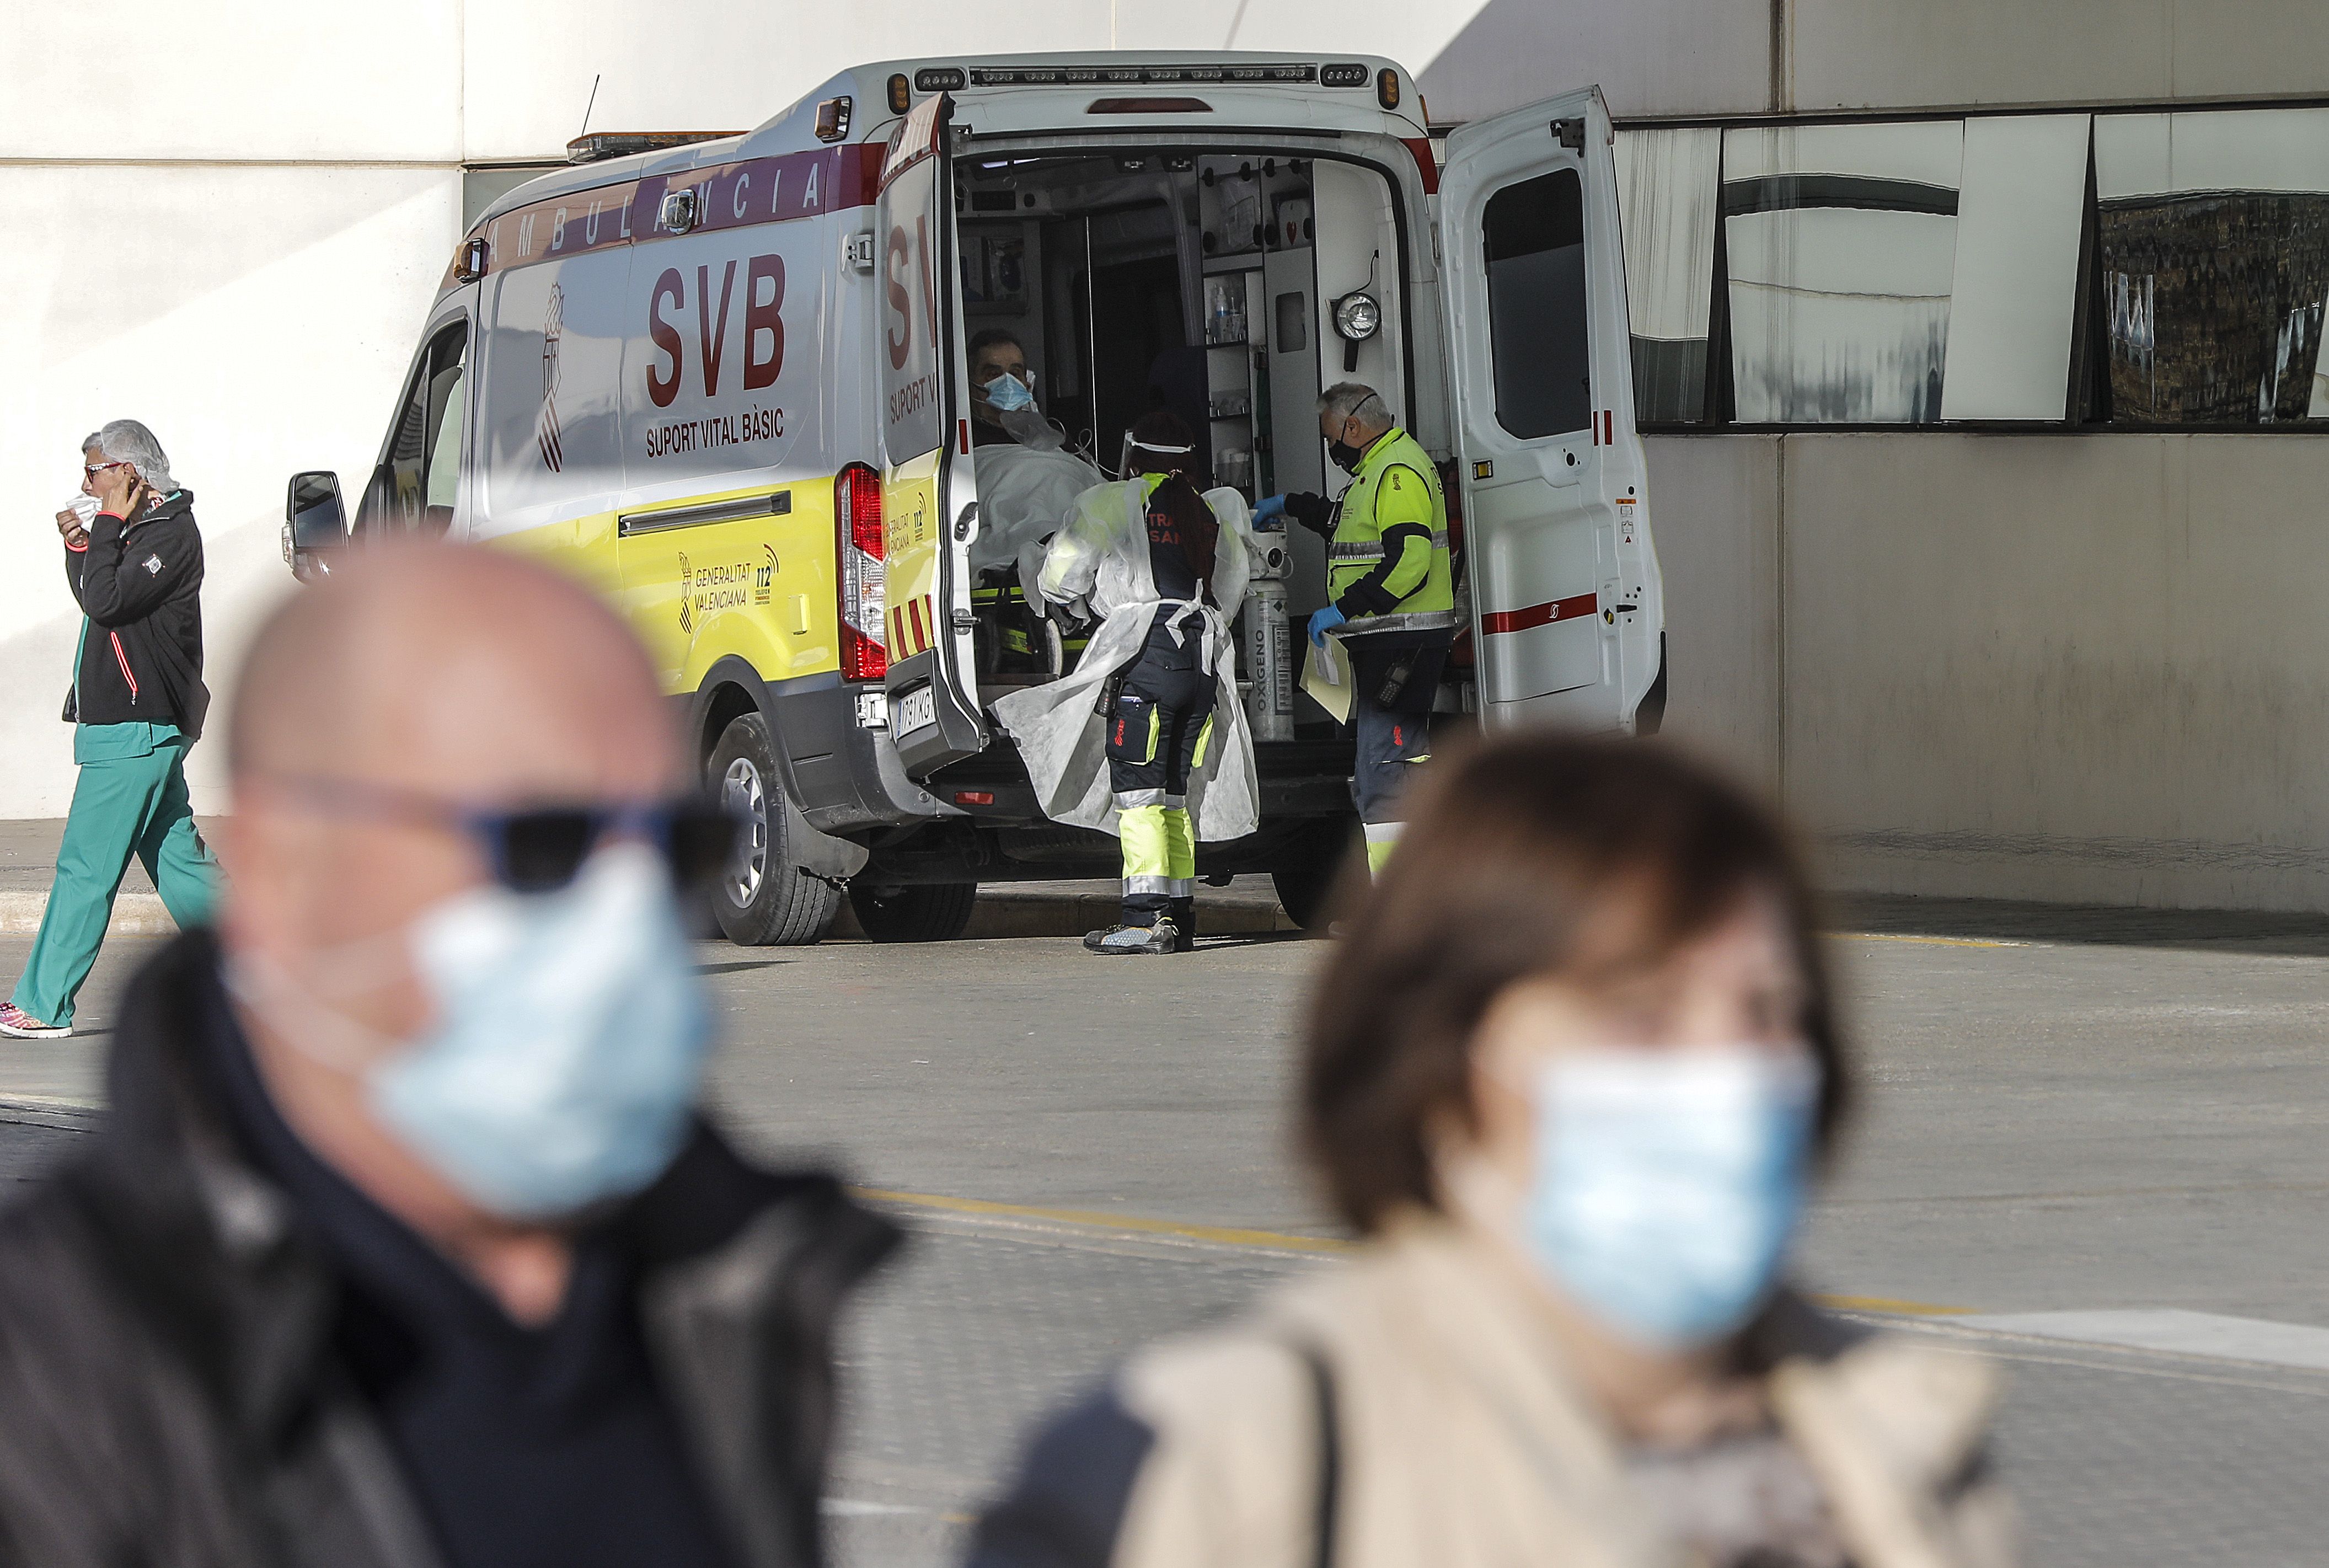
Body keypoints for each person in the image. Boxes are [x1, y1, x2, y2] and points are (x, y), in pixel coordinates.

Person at [0, 543, 900, 1567]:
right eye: (542, 845)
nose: (621, 919)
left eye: (674, 846)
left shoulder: (731, 1277)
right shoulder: (60, 1383)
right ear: (290, 874)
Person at [969, 732, 2018, 1568]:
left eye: (1767, 1009)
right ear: (1445, 1065)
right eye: (1639, 1013)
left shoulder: (1905, 1439)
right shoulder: (1200, 1466)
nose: (1726, 1066)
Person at [993, 411, 1260, 955]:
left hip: (1147, 659)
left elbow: (1061, 577)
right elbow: (1231, 589)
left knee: (1138, 792)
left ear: (1134, 455)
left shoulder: (1111, 501)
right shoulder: (1209, 510)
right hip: (1201, 664)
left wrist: (1070, 598)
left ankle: (1142, 919)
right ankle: (1178, 917)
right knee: (1174, 793)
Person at [1, 422, 223, 1040]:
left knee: (85, 867)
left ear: (128, 471)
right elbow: (97, 599)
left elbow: (107, 600)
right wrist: (81, 544)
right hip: (131, 727)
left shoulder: (169, 532)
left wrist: (103, 527)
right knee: (180, 862)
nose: (85, 483)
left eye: (94, 471)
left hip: (135, 725)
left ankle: (44, 1004)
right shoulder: (137, 527)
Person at [1255, 383, 1458, 875]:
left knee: (1384, 771)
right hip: (1388, 643)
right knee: (1385, 768)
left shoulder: (1396, 472)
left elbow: (1409, 563)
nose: (1331, 447)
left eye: (1331, 437)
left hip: (1403, 642)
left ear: (1352, 426)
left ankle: (1397, 899)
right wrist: (1288, 504)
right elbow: (1343, 526)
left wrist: (1342, 609)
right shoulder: (1375, 470)